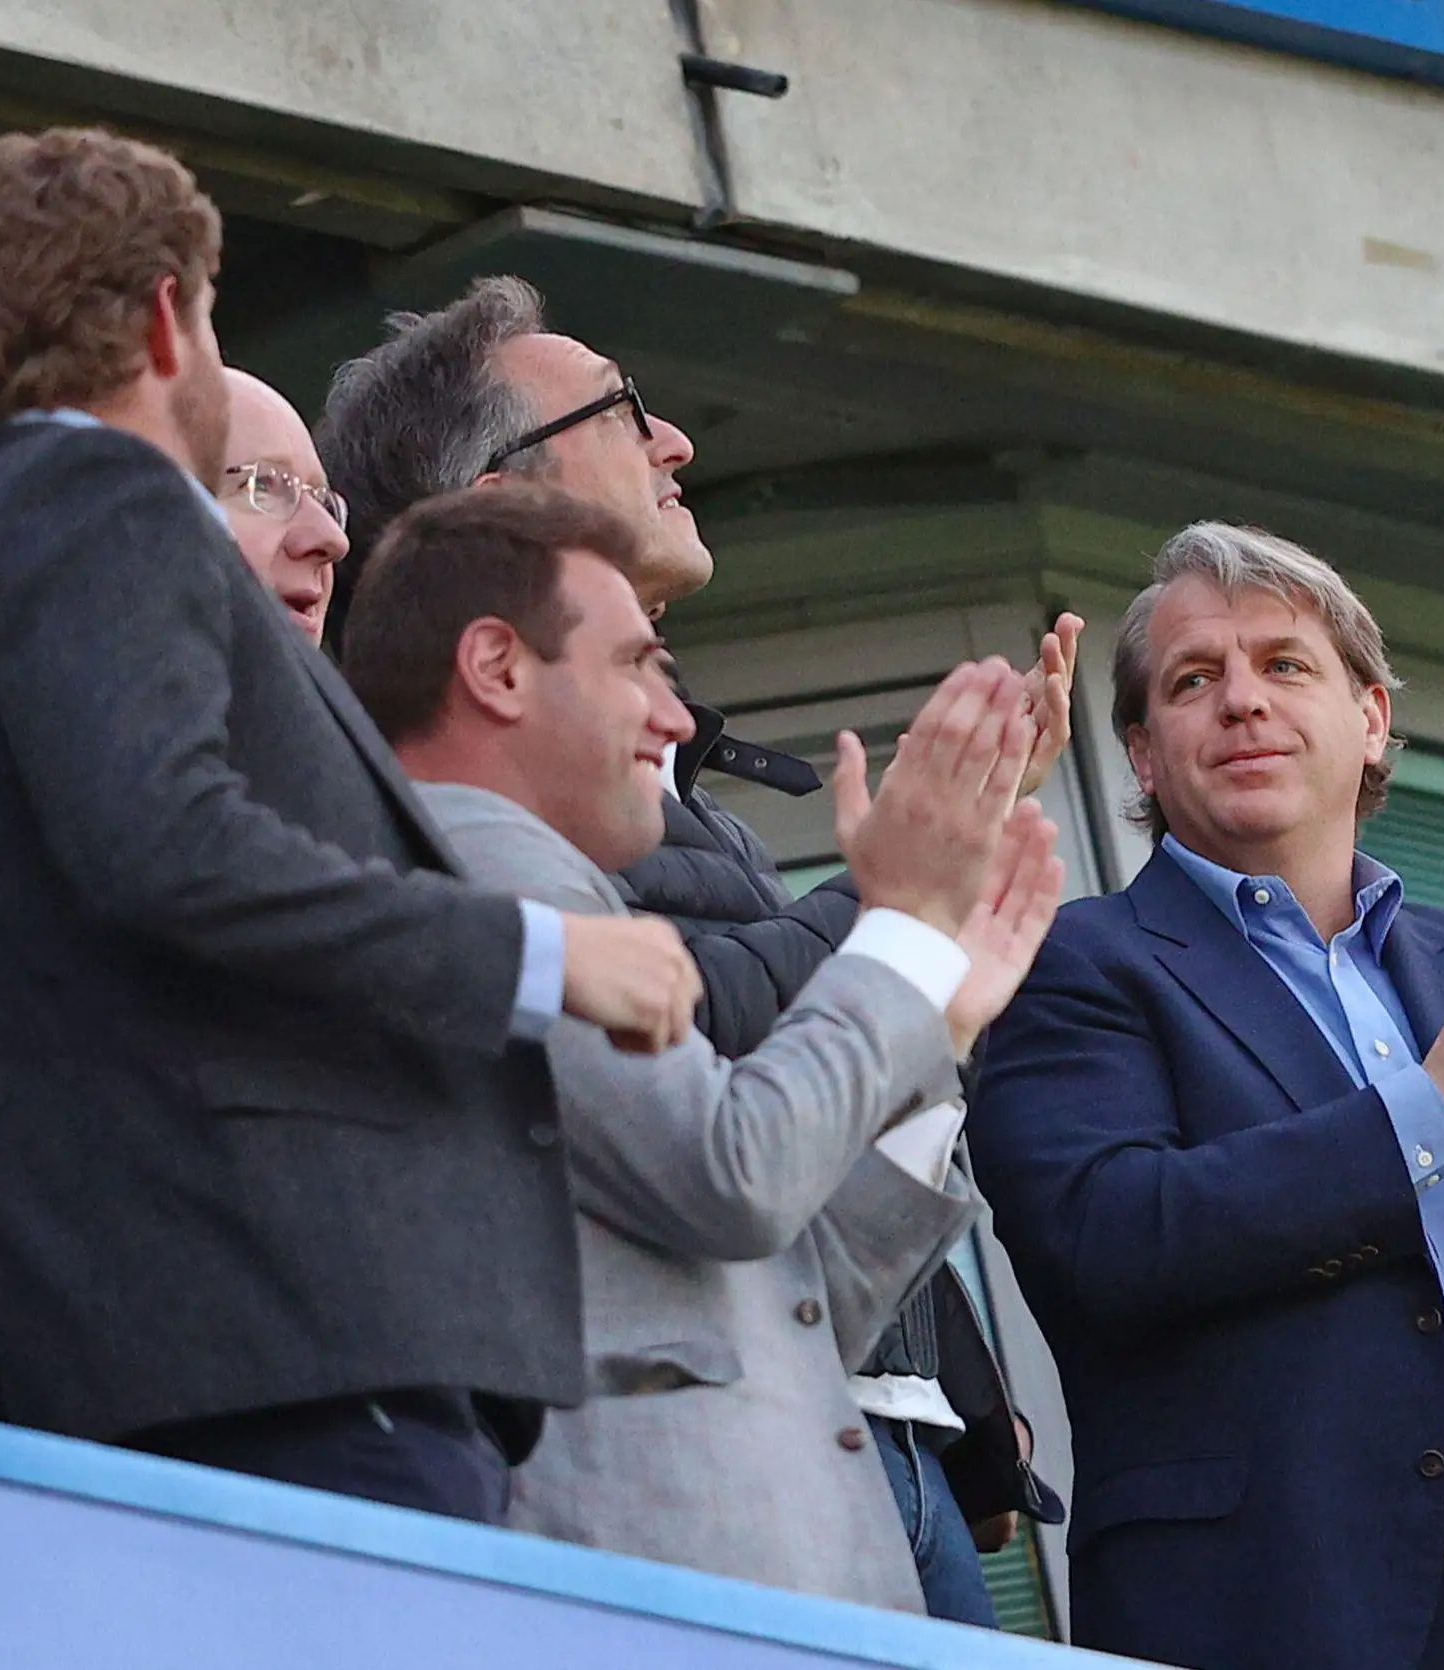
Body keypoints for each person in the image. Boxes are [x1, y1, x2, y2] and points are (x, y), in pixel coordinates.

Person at [0, 127, 700, 1522]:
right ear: (160, 315)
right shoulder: (99, 499)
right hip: (293, 1343)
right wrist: (548, 956)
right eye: (205, 308)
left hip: (230, 1352)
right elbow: (174, 847)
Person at [320, 274, 1076, 1614]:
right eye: (635, 671)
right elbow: (735, 1163)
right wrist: (894, 921)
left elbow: (783, 1290)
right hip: (658, 1564)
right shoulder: (470, 862)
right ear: (498, 663)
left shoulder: (585, 844)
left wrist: (938, 1017)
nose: (674, 723)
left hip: (811, 1512)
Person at [972, 522, 1444, 1670]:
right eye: (1193, 680)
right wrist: (1424, 1111)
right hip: (1279, 1608)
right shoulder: (1072, 960)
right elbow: (1105, 1237)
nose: (1241, 702)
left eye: (1284, 664)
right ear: (1137, 751)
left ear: (1370, 717)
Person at [0, 366, 354, 1415]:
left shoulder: (294, 783)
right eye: (263, 487)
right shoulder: (48, 756)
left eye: (325, 496)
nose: (324, 536)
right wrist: (98, 1369)